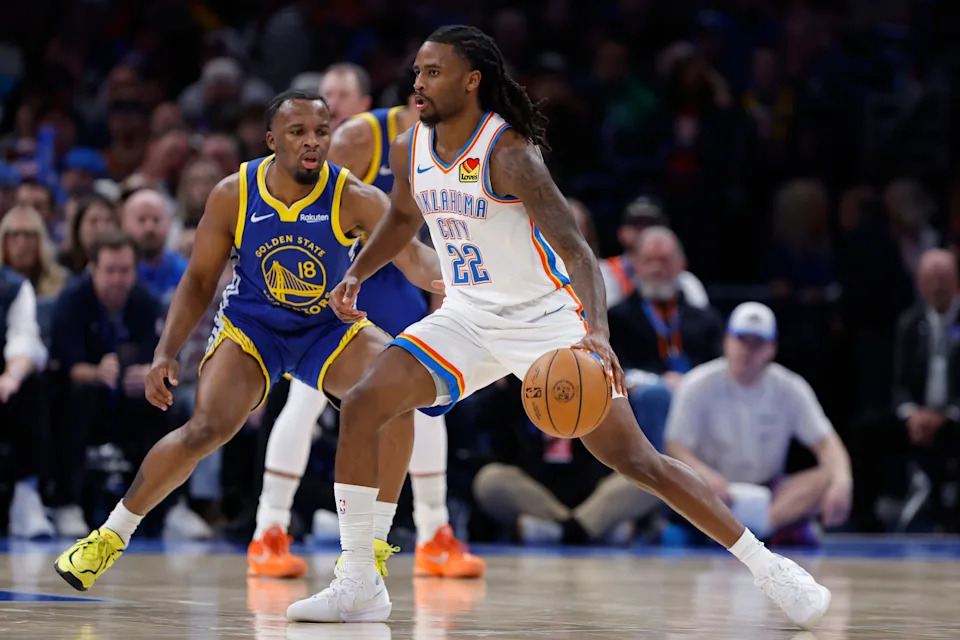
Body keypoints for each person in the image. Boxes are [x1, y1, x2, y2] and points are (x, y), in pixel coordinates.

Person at [286, 25, 831, 628]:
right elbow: (401, 218)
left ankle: (770, 567)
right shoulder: (408, 146)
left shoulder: (509, 153)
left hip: (545, 322)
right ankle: (360, 578)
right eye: (417, 71)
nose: (418, 82)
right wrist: (357, 274)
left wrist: (594, 334)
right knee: (364, 403)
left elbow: (577, 252)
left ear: (471, 81)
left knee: (639, 462)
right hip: (466, 315)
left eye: (433, 72)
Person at [54, 90, 440, 592]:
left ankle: (369, 555)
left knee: (396, 398)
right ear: (271, 139)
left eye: (321, 132)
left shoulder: (355, 196)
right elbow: (196, 282)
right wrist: (165, 352)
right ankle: (109, 537)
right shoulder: (235, 192)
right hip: (252, 327)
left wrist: (466, 279)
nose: (312, 142)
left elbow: (415, 259)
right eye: (298, 131)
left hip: (326, 328)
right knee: (206, 429)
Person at [250, 64, 484, 580]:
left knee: (424, 393)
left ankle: (434, 533)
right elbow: (300, 201)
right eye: (325, 95)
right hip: (338, 273)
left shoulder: (449, 142)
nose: (329, 104)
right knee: (306, 398)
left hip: (401, 276)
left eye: (340, 95)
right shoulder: (362, 137)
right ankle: (269, 528)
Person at [665, 302, 853, 544]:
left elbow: (827, 443)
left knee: (826, 476)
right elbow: (675, 447)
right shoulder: (697, 384)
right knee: (681, 480)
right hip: (714, 489)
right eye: (742, 340)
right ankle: (750, 533)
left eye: (757, 343)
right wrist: (706, 477)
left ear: (771, 348)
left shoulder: (789, 387)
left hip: (770, 495)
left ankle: (759, 530)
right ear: (727, 341)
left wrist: (842, 482)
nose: (748, 350)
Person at [48, 230, 167, 539]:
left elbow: (161, 356)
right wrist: (97, 372)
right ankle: (67, 502)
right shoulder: (72, 300)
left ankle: (169, 508)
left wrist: (147, 373)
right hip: (84, 398)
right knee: (74, 397)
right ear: (94, 269)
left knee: (163, 398)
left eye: (125, 271)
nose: (117, 280)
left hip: (129, 400)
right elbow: (65, 366)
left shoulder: (146, 302)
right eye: (110, 271)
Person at [608, 227, 723, 452]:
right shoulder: (616, 318)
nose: (657, 268)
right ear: (636, 265)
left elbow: (720, 367)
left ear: (682, 264)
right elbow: (613, 370)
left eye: (665, 260)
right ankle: (655, 475)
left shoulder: (706, 319)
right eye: (649, 260)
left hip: (697, 395)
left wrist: (691, 384)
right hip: (642, 399)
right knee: (656, 395)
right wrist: (658, 379)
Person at [0, 264, 53, 538]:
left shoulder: (13, 286)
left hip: (5, 385)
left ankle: (26, 497)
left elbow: (25, 339)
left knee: (32, 383)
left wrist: (12, 375)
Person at [120, 188, 188, 307]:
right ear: (124, 224)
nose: (149, 227)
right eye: (141, 220)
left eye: (156, 220)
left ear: (169, 224)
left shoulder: (185, 271)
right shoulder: (114, 270)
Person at [0, 205, 68, 298]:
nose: (22, 243)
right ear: (3, 241)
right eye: (14, 234)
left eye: (29, 234)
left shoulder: (63, 282)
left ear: (41, 241)